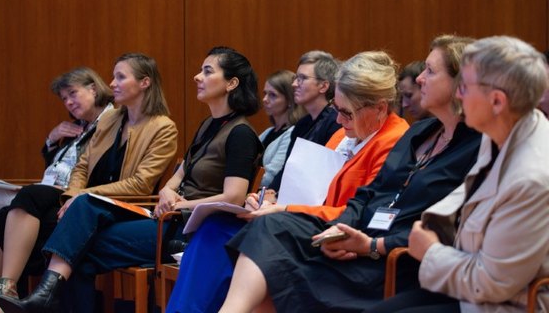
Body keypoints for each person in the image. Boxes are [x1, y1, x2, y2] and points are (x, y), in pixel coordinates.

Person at [218, 35, 482, 313]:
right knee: (271, 227)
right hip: (355, 235)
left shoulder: (475, 148)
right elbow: (367, 194)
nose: (418, 79)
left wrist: (371, 245)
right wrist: (341, 229)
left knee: (277, 263)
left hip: (391, 259)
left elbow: (444, 229)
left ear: (459, 83)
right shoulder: (420, 132)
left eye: (430, 71)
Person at [0, 46, 264, 313]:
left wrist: (178, 206)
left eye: (207, 71)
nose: (197, 77)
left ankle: (44, 296)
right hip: (166, 218)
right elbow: (179, 174)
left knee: (77, 245)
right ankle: (44, 297)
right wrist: (169, 192)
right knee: (80, 226)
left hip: (190, 230)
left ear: (231, 83)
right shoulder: (209, 125)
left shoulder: (240, 133)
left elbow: (234, 197)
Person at [166, 50, 411, 312]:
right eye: (336, 110)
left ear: (380, 108)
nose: (339, 120)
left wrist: (283, 209)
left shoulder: (394, 143)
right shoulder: (343, 135)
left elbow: (357, 214)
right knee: (218, 225)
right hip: (304, 222)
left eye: (346, 113)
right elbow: (313, 190)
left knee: (247, 238)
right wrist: (269, 199)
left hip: (334, 237)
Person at [365, 36, 549, 313]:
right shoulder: (504, 131)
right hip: (469, 284)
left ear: (497, 101)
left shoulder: (532, 179)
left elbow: (491, 283)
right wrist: (413, 234)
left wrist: (430, 251)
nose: (459, 95)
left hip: (502, 304)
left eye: (464, 87)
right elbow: (459, 202)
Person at [0, 53, 178, 313]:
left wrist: (85, 196)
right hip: (84, 206)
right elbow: (82, 165)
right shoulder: (111, 119)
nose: (111, 83)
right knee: (4, 217)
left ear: (144, 83)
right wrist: (72, 196)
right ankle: (6, 295)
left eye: (120, 77)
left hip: (120, 210)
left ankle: (21, 296)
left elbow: (141, 185)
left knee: (51, 228)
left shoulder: (163, 128)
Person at [0, 67, 113, 313]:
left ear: (93, 88)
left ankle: (4, 291)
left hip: (68, 196)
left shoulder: (111, 123)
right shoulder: (77, 128)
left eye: (73, 93)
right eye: (64, 98)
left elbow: (90, 172)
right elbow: (56, 168)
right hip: (45, 192)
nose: (68, 102)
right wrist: (51, 140)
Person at [268, 50, 341, 191]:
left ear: (323, 86)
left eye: (302, 78)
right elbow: (288, 169)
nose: (294, 84)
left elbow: (322, 177)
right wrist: (269, 193)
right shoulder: (302, 125)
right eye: (295, 78)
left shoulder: (335, 124)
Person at [258, 70, 305, 187]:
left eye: (272, 95)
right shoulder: (267, 132)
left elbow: (270, 177)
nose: (265, 99)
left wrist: (240, 182)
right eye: (265, 93)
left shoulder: (292, 134)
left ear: (289, 100)